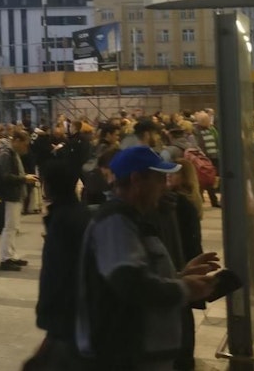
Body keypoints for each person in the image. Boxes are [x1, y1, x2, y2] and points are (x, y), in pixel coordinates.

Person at [76, 146, 217, 369]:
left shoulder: (134, 220)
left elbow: (138, 273)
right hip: (126, 357)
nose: (164, 186)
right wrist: (184, 289)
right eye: (159, 179)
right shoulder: (115, 222)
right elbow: (130, 284)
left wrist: (179, 276)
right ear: (136, 180)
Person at [27, 159, 90, 369]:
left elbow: (59, 274)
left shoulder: (64, 220)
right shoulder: (77, 215)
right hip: (69, 318)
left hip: (66, 319)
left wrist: (51, 317)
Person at [0, 130, 36, 271]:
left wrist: (24, 176)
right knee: (9, 227)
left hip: (16, 194)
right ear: (17, 141)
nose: (26, 148)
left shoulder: (13, 153)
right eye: (24, 145)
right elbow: (6, 176)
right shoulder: (7, 154)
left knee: (14, 227)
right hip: (10, 195)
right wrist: (24, 179)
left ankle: (12, 254)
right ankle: (6, 257)